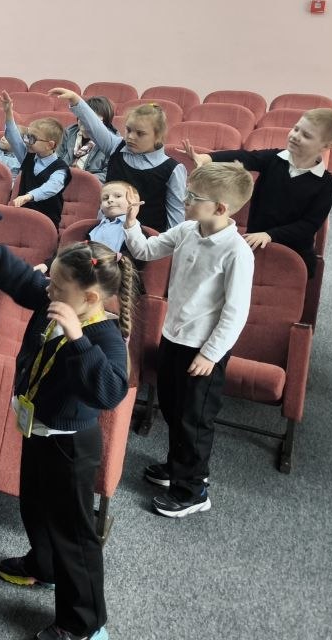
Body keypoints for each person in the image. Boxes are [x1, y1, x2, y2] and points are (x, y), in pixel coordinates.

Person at [0, 210, 130, 640]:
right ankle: (44, 565)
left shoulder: (104, 336)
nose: (47, 288)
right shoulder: (56, 299)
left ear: (89, 298)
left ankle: (83, 624)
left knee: (74, 534)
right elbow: (23, 280)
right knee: (35, 507)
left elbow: (111, 392)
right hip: (38, 429)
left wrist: (78, 340)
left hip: (70, 445)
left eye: (56, 286)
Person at [122, 161, 255, 518]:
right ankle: (176, 466)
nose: (185, 200)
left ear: (220, 208)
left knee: (194, 419)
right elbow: (146, 251)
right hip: (174, 336)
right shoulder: (187, 230)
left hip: (204, 349)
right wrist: (131, 223)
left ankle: (193, 490)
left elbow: (235, 312)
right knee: (172, 407)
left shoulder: (237, 252)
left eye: (194, 197)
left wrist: (211, 354)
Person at [187, 108, 332, 276]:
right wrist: (207, 158)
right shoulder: (274, 158)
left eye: (306, 135)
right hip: (254, 244)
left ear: (327, 145)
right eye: (296, 129)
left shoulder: (325, 183)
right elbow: (246, 157)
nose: (295, 136)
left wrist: (270, 235)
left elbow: (309, 225)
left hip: (294, 253)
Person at [50, 88, 185, 231]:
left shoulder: (172, 169)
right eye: (128, 130)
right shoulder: (116, 146)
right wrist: (76, 100)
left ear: (158, 136)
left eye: (140, 133)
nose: (131, 136)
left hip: (145, 239)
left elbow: (176, 217)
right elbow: (94, 126)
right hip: (106, 232)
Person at [2, 92, 70, 228]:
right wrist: (8, 112)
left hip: (45, 224)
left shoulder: (61, 169)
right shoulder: (28, 155)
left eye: (32, 138)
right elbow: (13, 137)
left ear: (50, 145)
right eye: (27, 136)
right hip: (22, 217)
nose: (27, 141)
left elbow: (51, 187)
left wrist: (29, 196)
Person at [58, 96, 116, 182]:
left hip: (89, 185)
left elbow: (108, 175)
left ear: (104, 124)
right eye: (83, 117)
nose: (86, 121)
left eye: (92, 120)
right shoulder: (68, 133)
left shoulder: (113, 143)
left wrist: (81, 178)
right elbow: (54, 160)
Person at [87, 181, 138, 254]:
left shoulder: (136, 230)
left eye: (118, 196)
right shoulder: (93, 229)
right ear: (101, 206)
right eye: (105, 198)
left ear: (133, 201)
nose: (110, 200)